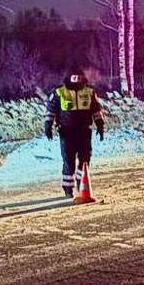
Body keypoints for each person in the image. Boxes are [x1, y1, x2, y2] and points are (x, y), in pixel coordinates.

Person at [44, 69, 105, 198]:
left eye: (79, 77)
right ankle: (68, 189)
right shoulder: (59, 92)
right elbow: (51, 110)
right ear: (69, 77)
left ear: (83, 77)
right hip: (67, 132)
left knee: (85, 160)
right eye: (74, 77)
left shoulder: (89, 92)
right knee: (68, 161)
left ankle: (81, 183)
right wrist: (48, 126)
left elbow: (96, 110)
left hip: (84, 131)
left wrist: (100, 125)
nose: (76, 79)